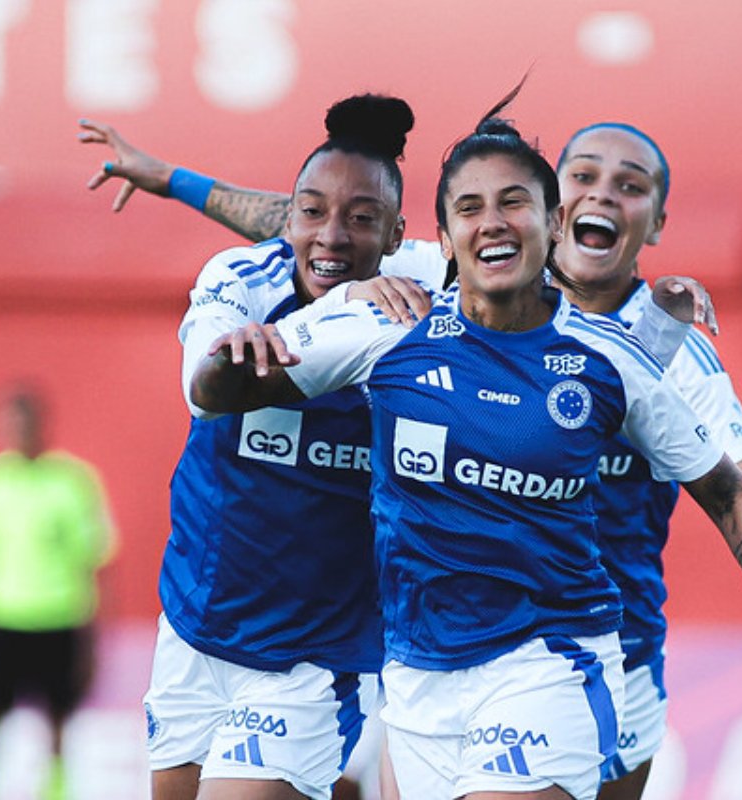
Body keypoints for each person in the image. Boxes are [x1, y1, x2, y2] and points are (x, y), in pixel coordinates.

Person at [80, 113, 742, 800]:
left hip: (575, 653)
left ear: (565, 221)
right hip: (418, 667)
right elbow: (321, 226)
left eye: (628, 186)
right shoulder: (401, 310)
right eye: (585, 174)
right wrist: (219, 305)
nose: (600, 195)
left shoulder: (644, 356)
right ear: (440, 237)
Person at [141, 93, 451, 800]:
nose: (333, 237)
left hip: (315, 657)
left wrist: (655, 318)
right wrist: (331, 313)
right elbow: (203, 391)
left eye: (363, 219)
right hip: (197, 624)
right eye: (312, 212)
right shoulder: (238, 280)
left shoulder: (428, 295)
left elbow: (535, 264)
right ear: (288, 219)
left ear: (399, 236)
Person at [0, 382, 117, 800]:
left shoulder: (73, 482)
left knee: (58, 726)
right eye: (9, 423)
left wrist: (96, 640)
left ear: (42, 425)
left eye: (24, 423)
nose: (17, 432)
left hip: (58, 619)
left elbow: (96, 562)